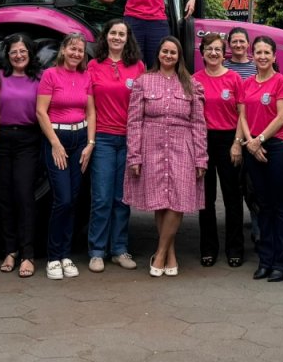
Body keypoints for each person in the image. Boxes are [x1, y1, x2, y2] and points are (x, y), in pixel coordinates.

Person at [124, 36, 206, 278]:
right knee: (160, 200)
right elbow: (134, 121)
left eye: (173, 52)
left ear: (179, 56)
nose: (169, 56)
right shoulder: (143, 82)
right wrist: (134, 155)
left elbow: (199, 124)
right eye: (165, 51)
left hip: (183, 146)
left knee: (177, 200)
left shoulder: (192, 84)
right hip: (152, 144)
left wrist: (201, 158)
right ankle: (170, 253)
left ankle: (159, 254)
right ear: (158, 54)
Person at [36, 32, 95, 280]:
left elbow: (91, 112)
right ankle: (53, 256)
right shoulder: (50, 75)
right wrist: (55, 143)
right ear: (63, 50)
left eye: (80, 50)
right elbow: (41, 111)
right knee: (63, 199)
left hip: (80, 139)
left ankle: (66, 255)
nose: (76, 53)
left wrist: (90, 143)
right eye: (72, 49)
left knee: (74, 198)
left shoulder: (85, 76)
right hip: (58, 140)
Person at [85, 18, 143, 272]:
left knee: (122, 198)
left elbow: (142, 105)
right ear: (106, 36)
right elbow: (89, 107)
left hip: (129, 139)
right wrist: (92, 139)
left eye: (122, 34)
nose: (117, 37)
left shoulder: (138, 66)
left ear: (127, 38)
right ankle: (97, 251)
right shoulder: (94, 66)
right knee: (101, 198)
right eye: (113, 33)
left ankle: (119, 249)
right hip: (104, 139)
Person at [237, 36, 283, 282]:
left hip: (276, 146)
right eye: (257, 52)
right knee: (262, 206)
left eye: (266, 52)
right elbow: (242, 116)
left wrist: (259, 140)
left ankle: (281, 263)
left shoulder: (281, 81)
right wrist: (250, 142)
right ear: (253, 55)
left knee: (280, 206)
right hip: (253, 147)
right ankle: (265, 260)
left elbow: (282, 118)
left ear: (274, 56)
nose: (261, 56)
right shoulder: (247, 83)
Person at [193, 33, 244, 268]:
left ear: (224, 53)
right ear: (202, 52)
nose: (213, 53)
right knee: (207, 199)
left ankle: (235, 248)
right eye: (209, 49)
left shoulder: (234, 79)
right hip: (203, 141)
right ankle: (208, 249)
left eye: (217, 49)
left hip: (229, 140)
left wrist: (237, 142)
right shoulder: (194, 80)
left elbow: (242, 114)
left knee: (233, 198)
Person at [0, 33, 43, 277]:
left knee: (24, 195)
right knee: (5, 196)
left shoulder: (39, 78)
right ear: (8, 54)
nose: (18, 55)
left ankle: (27, 254)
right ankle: (10, 250)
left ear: (30, 53)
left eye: (23, 51)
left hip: (28, 140)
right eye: (14, 51)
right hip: (2, 139)